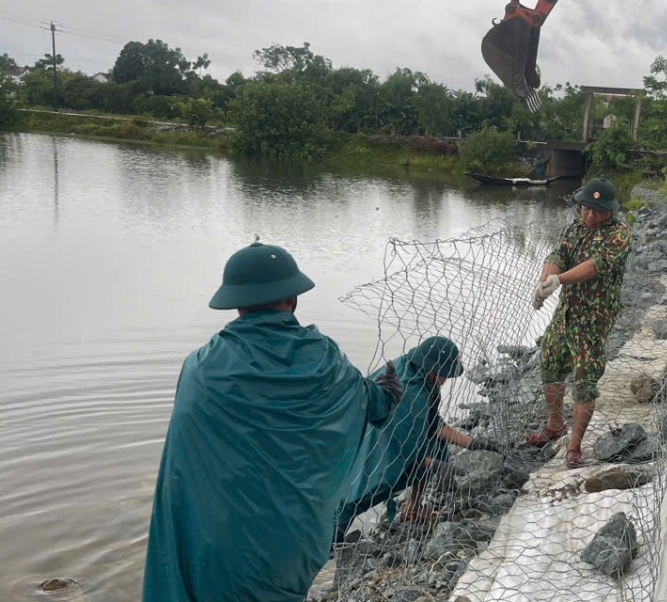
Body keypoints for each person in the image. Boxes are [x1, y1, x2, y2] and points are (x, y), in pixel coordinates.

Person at [142, 240, 403, 602]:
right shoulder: (327, 361)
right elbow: (374, 405)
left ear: (235, 303)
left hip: (217, 543)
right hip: (294, 543)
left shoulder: (201, 369)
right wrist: (389, 389)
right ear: (293, 299)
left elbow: (182, 468)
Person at [334, 336, 500, 538]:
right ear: (433, 370)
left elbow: (432, 424)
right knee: (352, 497)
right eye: (444, 375)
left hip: (374, 435)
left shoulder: (416, 371)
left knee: (434, 446)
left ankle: (413, 509)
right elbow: (404, 452)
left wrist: (473, 443)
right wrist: (436, 465)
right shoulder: (411, 392)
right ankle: (326, 550)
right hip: (369, 444)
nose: (445, 380)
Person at [527, 177, 632, 468]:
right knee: (550, 361)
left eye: (597, 211)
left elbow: (594, 266)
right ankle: (555, 425)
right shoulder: (575, 227)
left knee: (585, 380)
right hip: (566, 315)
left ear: (610, 210)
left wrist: (558, 279)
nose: (590, 215)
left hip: (593, 322)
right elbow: (558, 253)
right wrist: (544, 281)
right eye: (586, 208)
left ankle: (574, 445)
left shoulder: (619, 235)